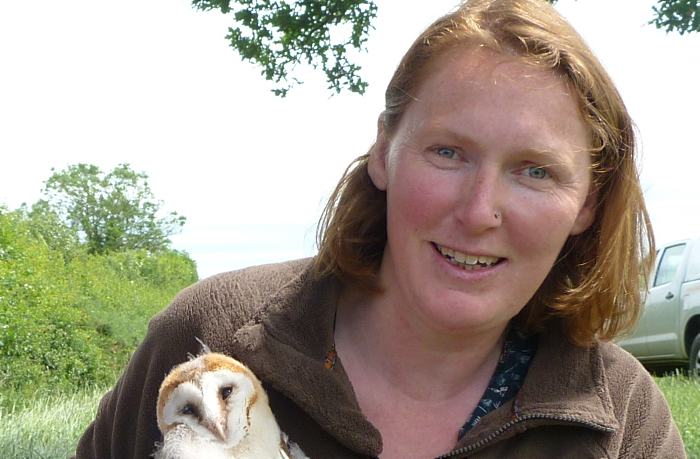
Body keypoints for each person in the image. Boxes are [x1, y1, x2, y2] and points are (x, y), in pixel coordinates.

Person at [73, 0, 686, 457]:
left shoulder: (623, 419)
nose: (478, 211)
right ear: (383, 151)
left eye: (535, 171)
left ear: (587, 204)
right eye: (448, 152)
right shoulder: (211, 337)